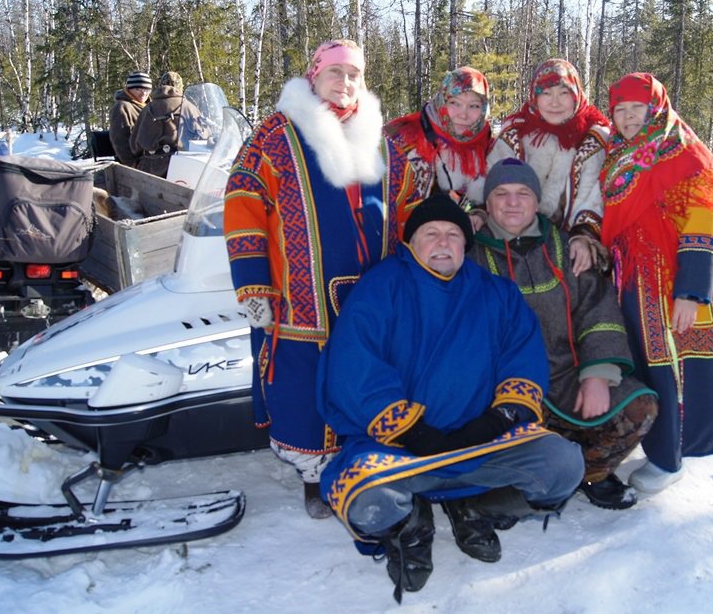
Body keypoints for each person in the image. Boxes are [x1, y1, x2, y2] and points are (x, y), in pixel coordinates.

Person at [317, 193, 584, 603]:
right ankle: (410, 523)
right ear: (411, 244)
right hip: (402, 449)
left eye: (453, 235)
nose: (443, 243)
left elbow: (522, 358)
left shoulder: (498, 293)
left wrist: (496, 420)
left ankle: (477, 506)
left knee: (564, 465)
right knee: (365, 498)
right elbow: (355, 366)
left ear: (465, 245)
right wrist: (413, 431)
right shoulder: (380, 287)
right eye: (431, 234)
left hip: (484, 442)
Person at [223, 40, 419, 519]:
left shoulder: (384, 145)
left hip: (373, 293)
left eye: (354, 74)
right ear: (314, 76)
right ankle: (314, 474)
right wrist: (253, 284)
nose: (345, 82)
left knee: (370, 372)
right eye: (336, 72)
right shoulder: (277, 136)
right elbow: (243, 203)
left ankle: (368, 458)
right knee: (302, 382)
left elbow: (409, 209)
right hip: (299, 297)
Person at [469, 159, 659, 509]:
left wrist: (597, 375)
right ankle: (527, 477)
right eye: (501, 193)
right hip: (502, 386)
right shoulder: (470, 253)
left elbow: (598, 312)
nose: (512, 202)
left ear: (536, 200)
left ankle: (588, 474)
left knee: (639, 407)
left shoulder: (565, 247)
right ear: (487, 202)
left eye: (523, 193)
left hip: (567, 375)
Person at [599, 72, 713, 493]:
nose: (629, 118)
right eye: (621, 111)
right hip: (631, 277)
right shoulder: (618, 151)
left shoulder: (684, 153)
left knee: (671, 367)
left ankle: (670, 460)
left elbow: (710, 215)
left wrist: (691, 290)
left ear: (657, 108)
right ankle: (647, 436)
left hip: (670, 281)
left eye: (637, 109)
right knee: (642, 363)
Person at [487, 58, 611, 275]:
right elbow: (490, 182)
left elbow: (594, 196)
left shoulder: (594, 137)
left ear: (576, 96)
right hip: (510, 236)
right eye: (546, 94)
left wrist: (584, 235)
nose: (555, 102)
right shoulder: (516, 132)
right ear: (535, 97)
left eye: (563, 93)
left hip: (568, 242)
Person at [384, 66, 493, 230]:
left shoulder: (488, 144)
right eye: (455, 103)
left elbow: (496, 195)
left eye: (474, 106)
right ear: (443, 100)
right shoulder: (405, 136)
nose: (463, 114)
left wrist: (479, 213)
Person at [130, 71, 205, 177]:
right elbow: (202, 139)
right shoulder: (188, 107)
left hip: (150, 169)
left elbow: (134, 145)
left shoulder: (148, 108)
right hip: (181, 168)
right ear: (180, 87)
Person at [108, 71, 152, 166]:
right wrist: (133, 164)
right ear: (129, 89)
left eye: (147, 90)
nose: (143, 93)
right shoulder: (122, 107)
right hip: (136, 162)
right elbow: (120, 141)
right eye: (138, 89)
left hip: (152, 158)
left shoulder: (152, 107)